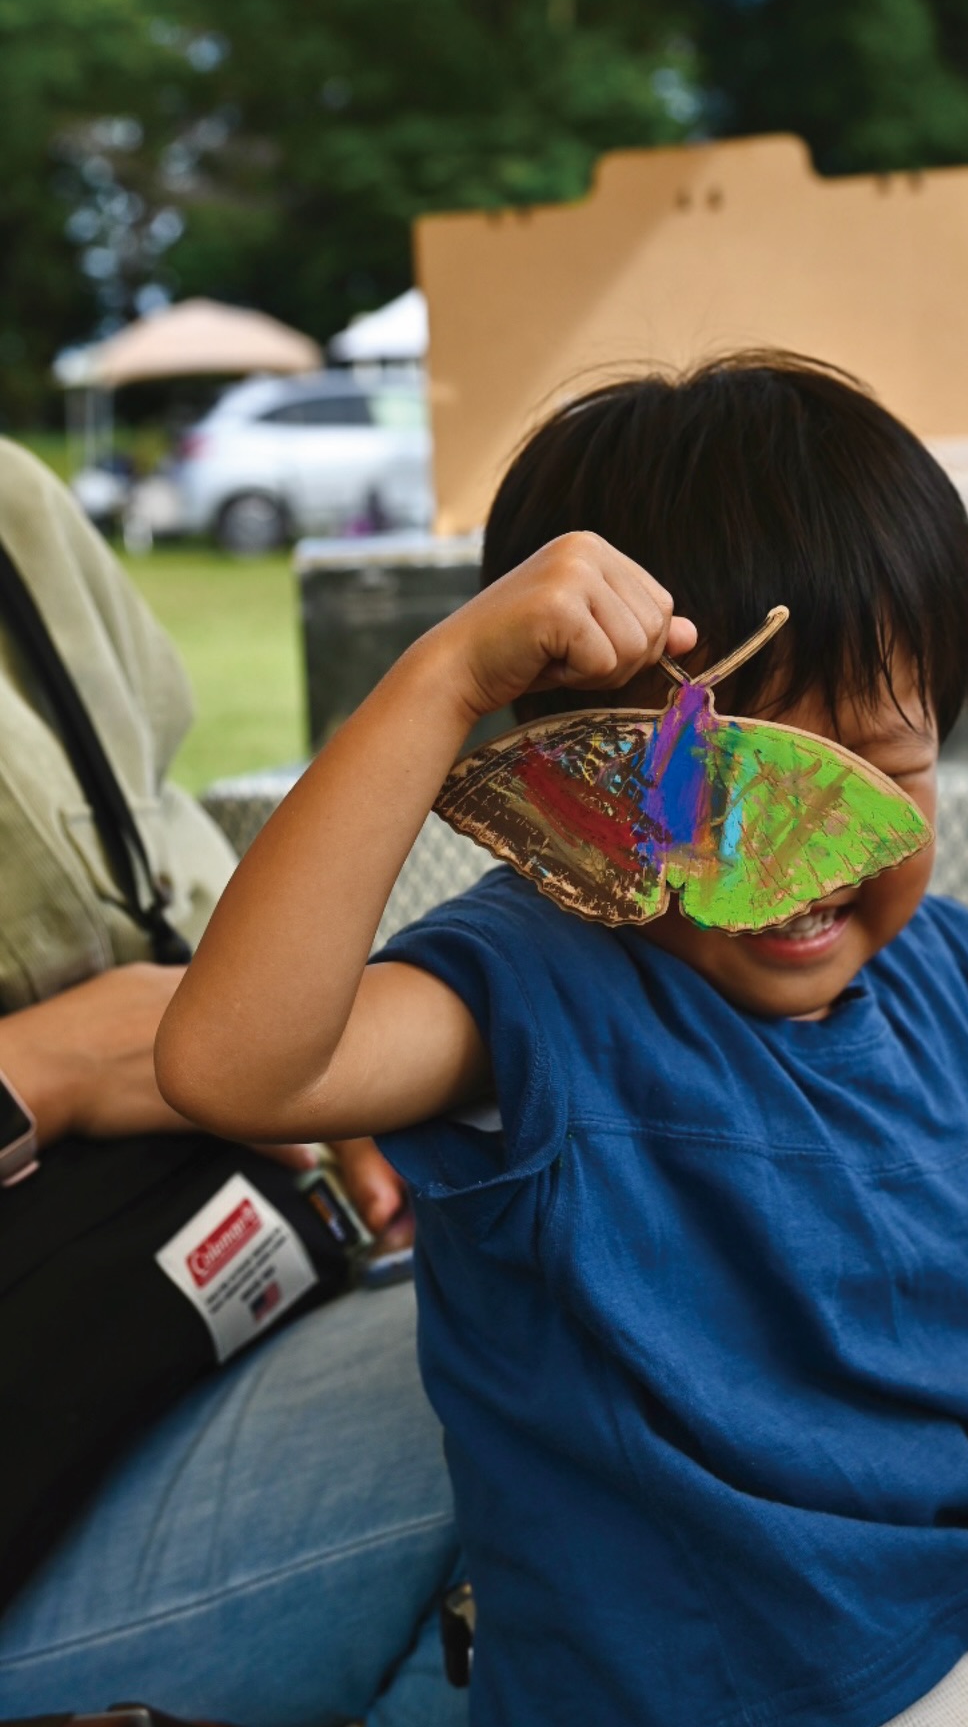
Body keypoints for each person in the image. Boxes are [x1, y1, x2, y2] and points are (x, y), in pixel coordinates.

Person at [155, 355, 968, 1726]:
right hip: (735, 1692)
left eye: (883, 762)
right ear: (587, 779)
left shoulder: (928, 968)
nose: (810, 855)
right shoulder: (532, 997)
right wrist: (443, 678)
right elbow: (236, 1064)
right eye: (731, 784)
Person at [0, 439, 466, 1727]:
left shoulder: (17, 507)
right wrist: (51, 1066)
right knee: (573, 1416)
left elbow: (166, 875)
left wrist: (308, 1088)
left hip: (184, 1316)